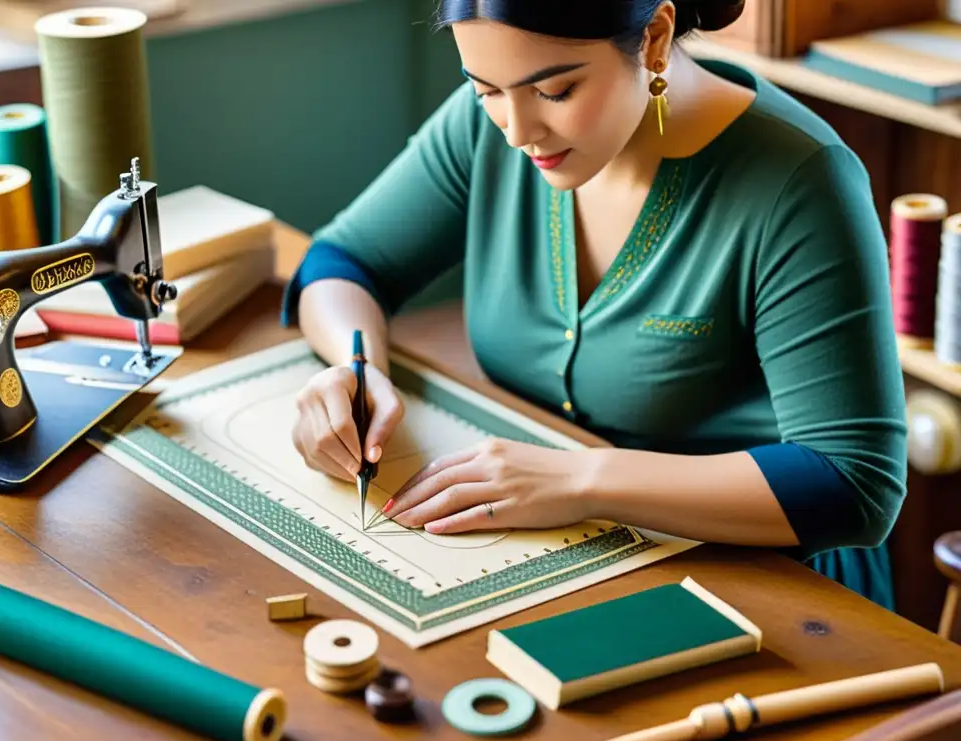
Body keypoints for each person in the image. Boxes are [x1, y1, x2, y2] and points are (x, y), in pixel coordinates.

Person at [280, 0, 908, 611]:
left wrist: (581, 481)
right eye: (484, 89)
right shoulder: (493, 124)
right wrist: (358, 370)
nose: (517, 132)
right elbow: (342, 263)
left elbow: (851, 482)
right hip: (566, 555)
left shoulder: (801, 182)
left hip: (768, 586)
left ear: (655, 38)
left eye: (555, 91)